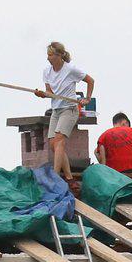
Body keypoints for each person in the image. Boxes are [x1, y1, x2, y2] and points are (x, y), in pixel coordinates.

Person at [34, 42, 94, 181]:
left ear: (59, 55)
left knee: (59, 141)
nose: (48, 58)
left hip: (70, 109)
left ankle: (55, 177)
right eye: (47, 55)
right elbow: (50, 92)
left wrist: (87, 98)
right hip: (56, 109)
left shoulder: (70, 69)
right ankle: (68, 177)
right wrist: (43, 94)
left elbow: (90, 80)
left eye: (50, 55)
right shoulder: (47, 71)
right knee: (53, 144)